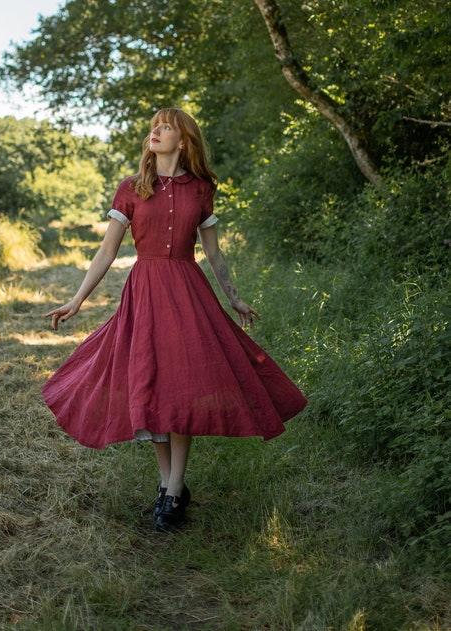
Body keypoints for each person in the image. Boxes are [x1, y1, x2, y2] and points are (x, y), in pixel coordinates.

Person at [43, 108, 307, 532]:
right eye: (153, 126)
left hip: (188, 293)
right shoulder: (131, 189)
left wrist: (235, 300)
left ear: (183, 140)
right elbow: (107, 252)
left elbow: (214, 254)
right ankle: (169, 486)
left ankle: (174, 488)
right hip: (145, 293)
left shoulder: (201, 189)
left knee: (184, 387)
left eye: (165, 126)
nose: (156, 131)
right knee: (152, 386)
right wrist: (76, 300)